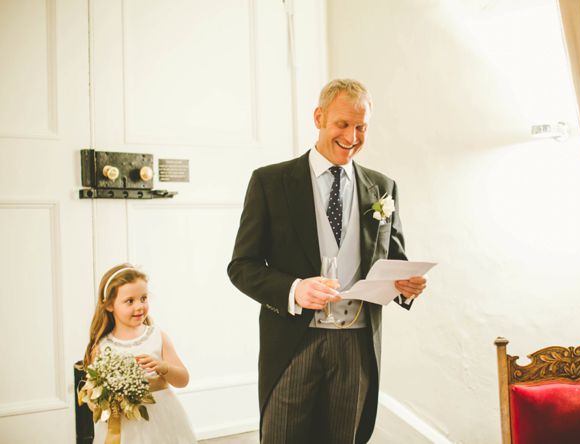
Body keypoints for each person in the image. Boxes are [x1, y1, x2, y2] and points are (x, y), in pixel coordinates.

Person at [228, 78, 427, 443]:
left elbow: (394, 258)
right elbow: (241, 266)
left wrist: (406, 287)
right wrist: (294, 289)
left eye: (361, 127)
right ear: (319, 117)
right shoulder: (270, 182)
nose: (352, 136)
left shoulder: (383, 187)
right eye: (343, 124)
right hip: (293, 342)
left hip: (357, 345)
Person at [82, 264, 196, 444]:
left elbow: (183, 379)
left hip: (161, 422)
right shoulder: (102, 347)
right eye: (130, 301)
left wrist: (163, 367)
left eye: (143, 298)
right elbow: (91, 398)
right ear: (110, 305)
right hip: (122, 426)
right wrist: (105, 397)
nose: (140, 306)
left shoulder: (157, 337)